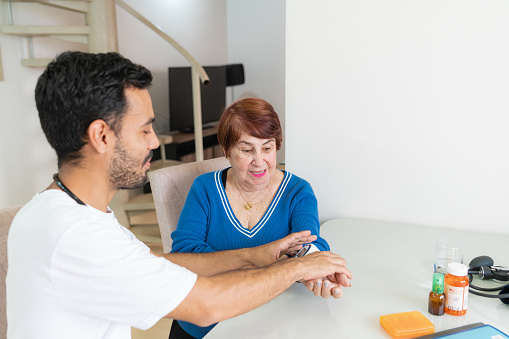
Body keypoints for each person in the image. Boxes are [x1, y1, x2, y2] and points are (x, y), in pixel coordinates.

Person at [6, 51, 352, 339]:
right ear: (101, 135)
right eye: (144, 129)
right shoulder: (79, 238)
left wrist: (256, 255)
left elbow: (161, 265)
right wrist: (297, 268)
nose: (155, 141)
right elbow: (206, 306)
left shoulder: (59, 212)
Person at [169, 97, 348, 339]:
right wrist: (273, 262)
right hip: (205, 322)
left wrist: (313, 263)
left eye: (267, 148)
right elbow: (185, 256)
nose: (259, 161)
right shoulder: (205, 188)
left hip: (269, 324)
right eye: (246, 150)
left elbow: (309, 242)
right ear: (226, 151)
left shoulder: (297, 191)